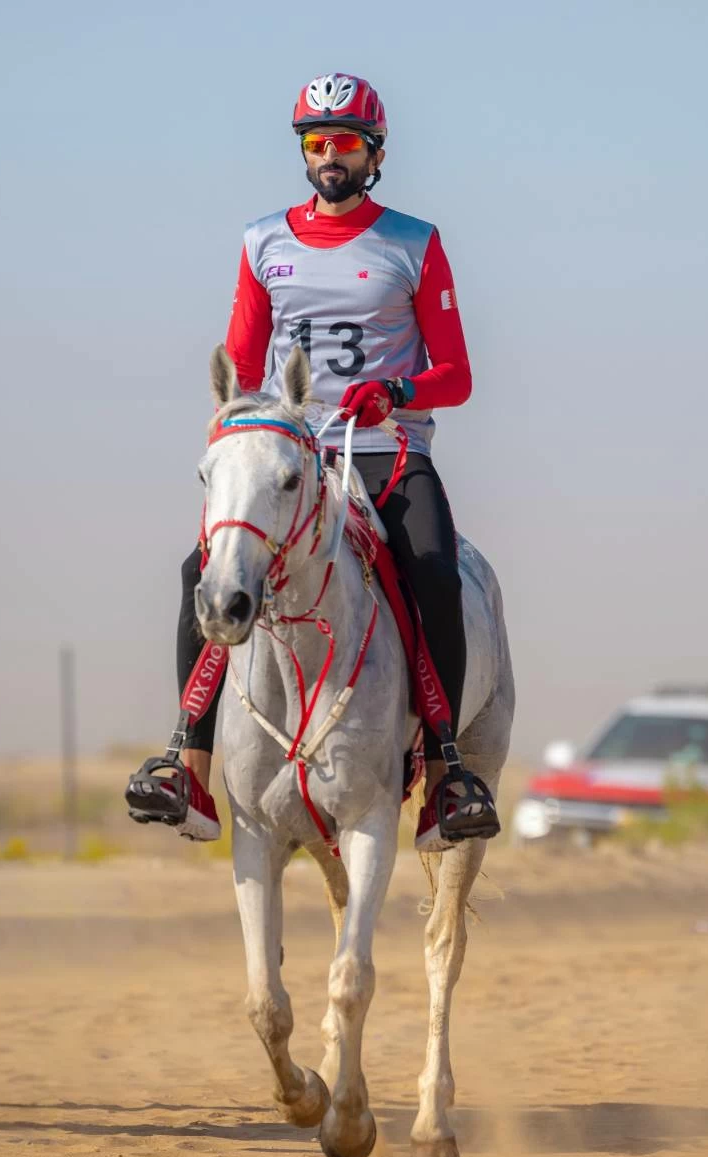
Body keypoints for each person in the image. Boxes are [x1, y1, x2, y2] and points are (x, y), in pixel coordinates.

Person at [134, 71, 500, 853]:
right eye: (314, 142)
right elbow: (239, 361)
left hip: (385, 452)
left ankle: (444, 773)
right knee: (202, 567)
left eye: (343, 143)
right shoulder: (263, 240)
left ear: (375, 153)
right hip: (292, 456)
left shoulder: (415, 241)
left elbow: (458, 376)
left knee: (433, 566)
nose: (328, 156)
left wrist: (397, 388)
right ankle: (188, 764)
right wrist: (236, 431)